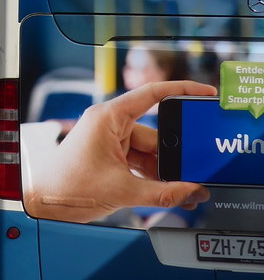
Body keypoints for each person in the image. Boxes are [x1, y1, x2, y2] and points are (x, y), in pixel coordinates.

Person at [22, 80, 214, 225]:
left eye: (138, 67)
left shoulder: (177, 118)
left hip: (163, 210)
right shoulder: (115, 115)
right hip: (130, 210)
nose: (128, 71)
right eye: (129, 66)